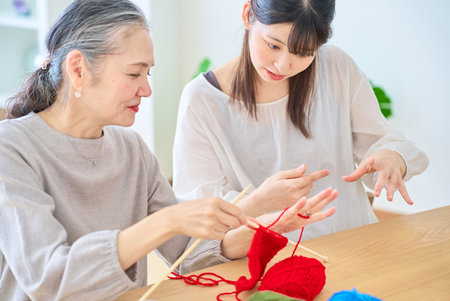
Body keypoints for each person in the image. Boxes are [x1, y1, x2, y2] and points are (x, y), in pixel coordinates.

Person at [0, 0, 338, 300]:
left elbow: (189, 254)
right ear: (78, 69)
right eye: (134, 73)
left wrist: (265, 228)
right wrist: (168, 220)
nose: (146, 90)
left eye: (148, 73)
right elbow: (48, 280)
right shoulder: (11, 149)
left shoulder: (130, 151)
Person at [173, 0, 429, 242]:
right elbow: (198, 208)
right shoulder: (203, 100)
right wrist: (260, 201)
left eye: (304, 52)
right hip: (266, 259)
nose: (283, 65)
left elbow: (382, 142)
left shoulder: (336, 67)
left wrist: (392, 157)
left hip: (353, 242)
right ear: (248, 15)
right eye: (273, 45)